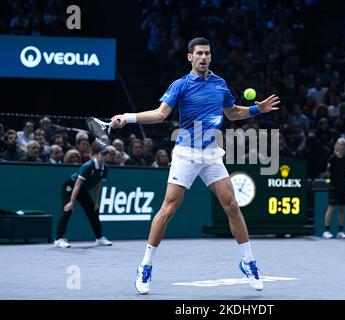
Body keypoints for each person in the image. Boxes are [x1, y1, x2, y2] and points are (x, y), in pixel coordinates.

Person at [111, 37, 280, 295]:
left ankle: (248, 262)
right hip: (186, 154)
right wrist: (128, 117)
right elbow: (160, 114)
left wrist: (258, 109)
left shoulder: (220, 84)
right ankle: (145, 265)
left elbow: (232, 113)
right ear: (190, 57)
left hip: (211, 154)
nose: (204, 57)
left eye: (207, 53)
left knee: (232, 205)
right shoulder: (180, 85)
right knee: (168, 209)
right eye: (199, 53)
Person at [53, 144, 113, 248]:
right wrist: (72, 201)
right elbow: (77, 184)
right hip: (70, 187)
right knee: (68, 210)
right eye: (102, 154)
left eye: (106, 154)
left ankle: (99, 238)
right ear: (96, 155)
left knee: (93, 211)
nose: (104, 156)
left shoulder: (105, 168)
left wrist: (95, 201)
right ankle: (58, 239)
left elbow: (98, 184)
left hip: (82, 190)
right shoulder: (88, 166)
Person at [323, 138, 345, 239]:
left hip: (343, 186)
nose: (342, 146)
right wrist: (332, 182)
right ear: (336, 145)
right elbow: (328, 173)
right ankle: (326, 231)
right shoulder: (332, 158)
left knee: (342, 209)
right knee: (331, 208)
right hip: (334, 186)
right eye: (340, 144)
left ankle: (340, 231)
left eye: (344, 145)